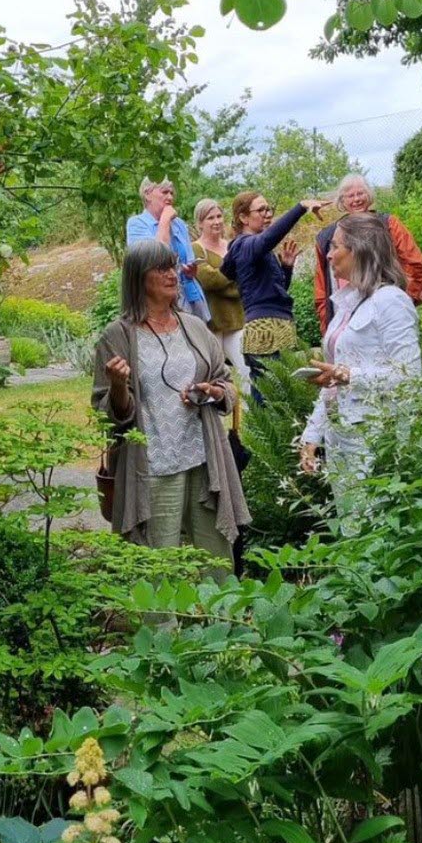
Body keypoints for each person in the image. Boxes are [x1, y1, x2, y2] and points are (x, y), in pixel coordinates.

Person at [91, 240, 250, 565]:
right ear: (138, 278)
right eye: (161, 268)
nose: (172, 274)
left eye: (172, 266)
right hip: (153, 466)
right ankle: (162, 620)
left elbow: (227, 385)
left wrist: (214, 392)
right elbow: (109, 415)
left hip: (204, 462)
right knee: (158, 566)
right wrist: (119, 385)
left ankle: (219, 616)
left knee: (217, 561)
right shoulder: (117, 336)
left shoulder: (194, 327)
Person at [299, 214, 422, 516]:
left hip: (376, 438)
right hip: (341, 436)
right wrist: (312, 435)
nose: (328, 254)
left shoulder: (392, 300)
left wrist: (349, 375)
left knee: (375, 525)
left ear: (360, 250)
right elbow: (333, 379)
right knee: (351, 526)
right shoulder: (347, 302)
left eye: (336, 246)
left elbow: (410, 377)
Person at [221, 190, 330, 393]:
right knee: (268, 393)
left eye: (268, 208)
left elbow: (274, 292)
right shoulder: (244, 245)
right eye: (260, 210)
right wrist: (301, 207)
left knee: (282, 392)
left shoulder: (258, 250)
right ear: (243, 217)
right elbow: (268, 239)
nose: (267, 214)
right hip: (264, 330)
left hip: (278, 323)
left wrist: (286, 269)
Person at [314, 173, 422, 333]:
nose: (356, 199)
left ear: (369, 195)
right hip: (344, 313)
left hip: (386, 307)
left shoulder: (389, 225)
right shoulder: (327, 237)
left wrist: (405, 300)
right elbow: (321, 287)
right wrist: (327, 323)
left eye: (360, 193)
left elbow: (414, 264)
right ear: (342, 201)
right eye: (350, 196)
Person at [125, 176, 210, 322]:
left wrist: (191, 270)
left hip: (191, 298)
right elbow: (155, 258)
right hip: (159, 302)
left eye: (171, 193)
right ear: (147, 194)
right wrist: (164, 220)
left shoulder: (179, 224)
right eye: (164, 192)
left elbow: (188, 259)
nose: (170, 197)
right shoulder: (136, 224)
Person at [191, 198, 250, 396]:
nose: (216, 221)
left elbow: (244, 279)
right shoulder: (195, 249)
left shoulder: (232, 246)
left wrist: (227, 278)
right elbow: (208, 280)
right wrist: (233, 280)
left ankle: (250, 422)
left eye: (218, 216)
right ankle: (215, 421)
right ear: (200, 223)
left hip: (236, 320)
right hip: (211, 324)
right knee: (213, 379)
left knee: (248, 372)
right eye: (210, 218)